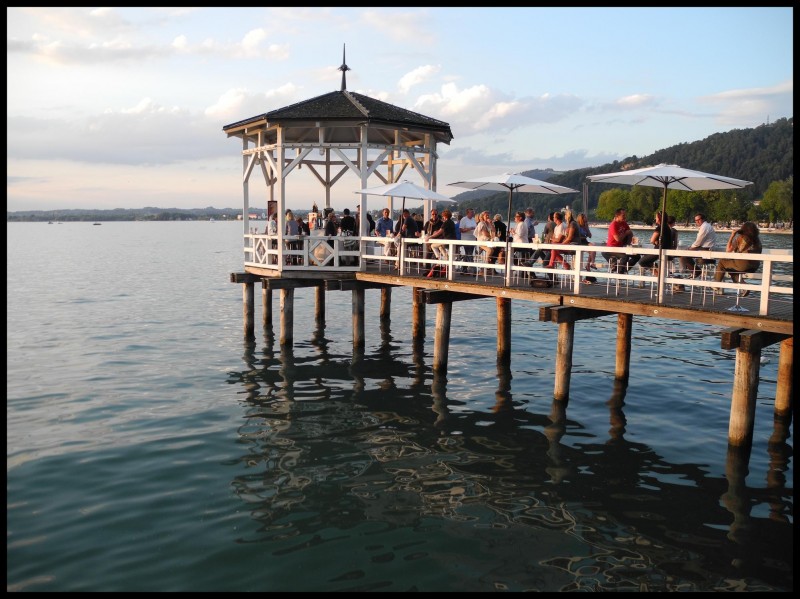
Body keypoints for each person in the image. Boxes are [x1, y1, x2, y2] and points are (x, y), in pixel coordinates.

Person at [713, 222, 762, 296]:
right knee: (732, 270)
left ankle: (716, 284)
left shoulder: (741, 238)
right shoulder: (757, 240)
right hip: (755, 265)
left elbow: (728, 250)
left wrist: (732, 235)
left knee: (722, 262)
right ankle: (744, 287)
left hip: (744, 264)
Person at [679, 212, 716, 278]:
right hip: (704, 247)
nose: (697, 222)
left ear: (703, 219)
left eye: (699, 220)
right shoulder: (706, 226)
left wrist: (691, 247)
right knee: (684, 252)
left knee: (684, 254)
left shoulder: (705, 227)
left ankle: (694, 271)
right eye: (696, 220)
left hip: (705, 248)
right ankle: (689, 270)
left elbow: (699, 241)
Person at [602, 208, 637, 272]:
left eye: (625, 215)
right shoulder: (613, 225)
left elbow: (630, 233)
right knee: (625, 256)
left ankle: (624, 270)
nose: (625, 217)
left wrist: (628, 244)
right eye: (623, 215)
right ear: (617, 216)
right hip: (612, 247)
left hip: (621, 247)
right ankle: (619, 273)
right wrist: (626, 233)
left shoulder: (624, 223)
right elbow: (617, 239)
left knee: (637, 256)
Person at [428, 208, 457, 278]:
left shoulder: (446, 222)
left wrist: (430, 237)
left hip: (447, 240)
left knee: (433, 246)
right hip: (452, 240)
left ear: (445, 216)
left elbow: (440, 232)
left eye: (443, 216)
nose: (443, 217)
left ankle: (439, 258)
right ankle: (445, 258)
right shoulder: (452, 222)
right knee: (440, 247)